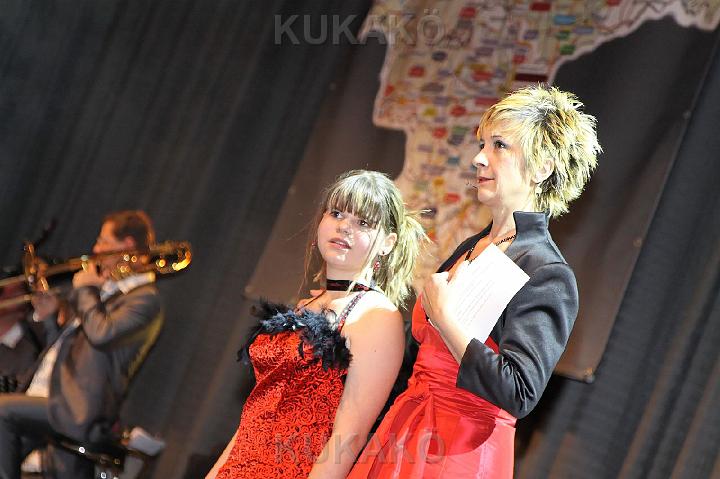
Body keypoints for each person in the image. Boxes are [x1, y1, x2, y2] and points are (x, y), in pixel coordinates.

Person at [348, 85, 601, 478]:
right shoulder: (472, 246)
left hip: (461, 452)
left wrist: (446, 319)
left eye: (499, 145)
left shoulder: (546, 271)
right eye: (483, 143)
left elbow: (519, 392)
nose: (478, 158)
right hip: (405, 429)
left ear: (542, 168)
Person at [206, 170, 428, 479]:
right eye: (336, 213)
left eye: (363, 222)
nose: (344, 226)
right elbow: (255, 416)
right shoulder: (305, 306)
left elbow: (348, 438)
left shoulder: (377, 317)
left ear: (387, 243)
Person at [0, 210, 164, 479]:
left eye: (103, 241)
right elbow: (67, 352)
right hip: (51, 397)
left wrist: (87, 290)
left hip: (77, 409)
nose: (96, 249)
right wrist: (51, 317)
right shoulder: (107, 291)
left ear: (127, 246)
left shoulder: (144, 299)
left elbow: (101, 334)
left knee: (2, 411)